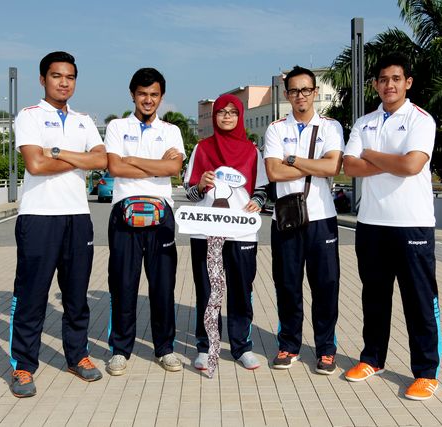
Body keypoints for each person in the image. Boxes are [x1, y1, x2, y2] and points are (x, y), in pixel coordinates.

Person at [342, 53, 442, 401]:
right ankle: (373, 359)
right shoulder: (364, 122)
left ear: (407, 83)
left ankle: (426, 372)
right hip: (372, 224)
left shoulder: (421, 120)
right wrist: (392, 162)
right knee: (374, 298)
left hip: (412, 225)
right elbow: (349, 167)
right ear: (375, 85)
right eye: (383, 79)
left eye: (396, 79)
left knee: (419, 301)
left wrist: (370, 154)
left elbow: (412, 166)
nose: (389, 85)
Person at [9, 51, 106, 398]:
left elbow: (102, 159)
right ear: (43, 79)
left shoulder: (83, 120)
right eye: (56, 76)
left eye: (70, 77)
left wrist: (57, 152)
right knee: (32, 296)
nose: (64, 83)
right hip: (38, 217)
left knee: (76, 295)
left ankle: (77, 356)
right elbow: (35, 165)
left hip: (77, 217)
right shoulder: (29, 116)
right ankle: (23, 365)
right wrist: (79, 159)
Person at [104, 68, 185, 375]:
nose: (148, 100)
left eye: (154, 94)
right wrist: (157, 165)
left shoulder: (171, 130)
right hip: (124, 213)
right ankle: (120, 349)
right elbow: (115, 168)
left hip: (161, 214)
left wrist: (133, 160)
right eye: (142, 94)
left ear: (161, 97)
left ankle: (165, 348)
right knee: (123, 283)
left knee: (163, 286)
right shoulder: (117, 126)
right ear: (132, 95)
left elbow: (174, 169)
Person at [263, 66, 344, 374]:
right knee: (287, 284)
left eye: (306, 90)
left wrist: (293, 160)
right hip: (285, 218)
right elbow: (273, 172)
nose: (301, 96)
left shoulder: (330, 127)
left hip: (322, 218)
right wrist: (314, 165)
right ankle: (289, 345)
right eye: (294, 91)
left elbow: (332, 167)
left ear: (315, 92)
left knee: (326, 285)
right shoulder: (275, 129)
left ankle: (326, 349)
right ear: (287, 95)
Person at [183, 94, 268, 371]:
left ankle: (242, 346)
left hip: (242, 232)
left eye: (233, 112)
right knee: (208, 290)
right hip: (206, 231)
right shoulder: (202, 148)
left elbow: (262, 189)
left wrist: (257, 202)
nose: (227, 116)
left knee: (241, 288)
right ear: (214, 116)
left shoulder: (252, 151)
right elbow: (190, 193)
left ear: (240, 116)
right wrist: (201, 184)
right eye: (222, 112)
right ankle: (206, 346)